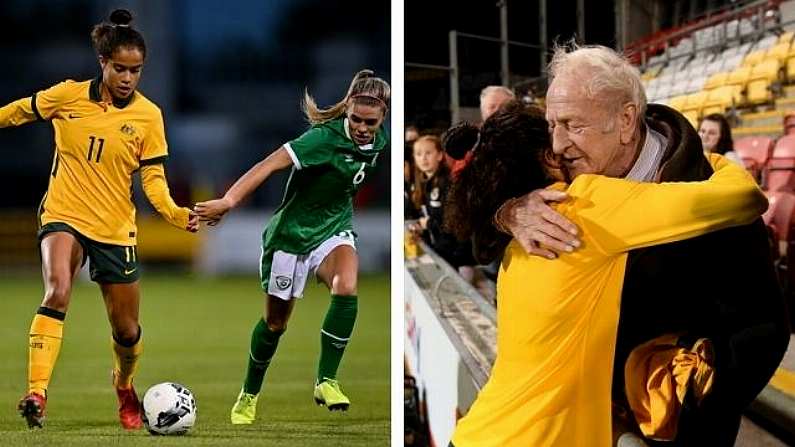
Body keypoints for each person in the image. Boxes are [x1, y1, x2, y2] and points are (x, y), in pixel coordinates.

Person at [494, 44, 789, 445]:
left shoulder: (714, 200)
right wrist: (509, 211)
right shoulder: (553, 170)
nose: (558, 143)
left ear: (627, 120)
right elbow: (469, 205)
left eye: (572, 125)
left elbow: (763, 327)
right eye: (551, 124)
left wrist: (691, 405)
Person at [445, 101, 767, 447]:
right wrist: (713, 161)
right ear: (550, 157)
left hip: (483, 432)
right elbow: (744, 197)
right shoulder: (583, 204)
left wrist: (504, 211)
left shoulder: (519, 235)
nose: (567, 143)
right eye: (560, 133)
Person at [0, 9, 199, 430]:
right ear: (103, 63)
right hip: (64, 212)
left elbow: (154, 178)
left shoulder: (149, 116)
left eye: (136, 71)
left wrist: (174, 213)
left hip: (113, 227)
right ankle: (37, 392)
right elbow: (18, 111)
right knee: (57, 290)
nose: (128, 78)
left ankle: (125, 386)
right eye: (120, 69)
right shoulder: (67, 95)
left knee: (126, 331)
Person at [193, 69, 389, 424]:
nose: (362, 127)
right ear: (347, 110)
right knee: (275, 325)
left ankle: (326, 380)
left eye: (370, 122)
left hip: (334, 228)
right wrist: (228, 200)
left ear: (383, 118)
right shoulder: (321, 139)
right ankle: (248, 396)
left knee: (347, 285)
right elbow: (268, 165)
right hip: (291, 236)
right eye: (356, 119)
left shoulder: (381, 139)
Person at [408, 135, 473, 270]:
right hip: (438, 252)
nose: (423, 158)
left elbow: (456, 221)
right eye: (419, 154)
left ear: (439, 156)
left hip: (457, 256)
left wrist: (429, 224)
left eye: (428, 153)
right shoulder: (420, 185)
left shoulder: (448, 184)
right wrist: (420, 228)